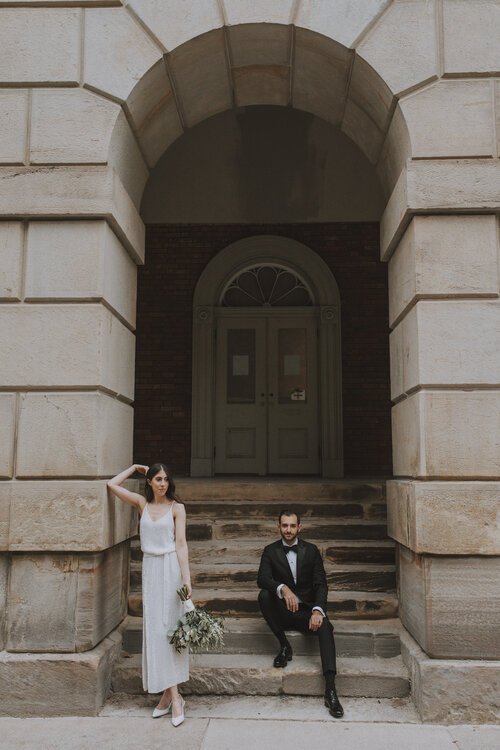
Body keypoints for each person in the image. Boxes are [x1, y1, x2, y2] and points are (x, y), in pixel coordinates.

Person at [107, 463, 191, 726]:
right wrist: (134, 468)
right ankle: (169, 695)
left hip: (170, 569)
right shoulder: (142, 504)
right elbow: (111, 485)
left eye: (166, 479)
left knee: (169, 629)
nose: (163, 483)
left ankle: (175, 698)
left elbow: (181, 544)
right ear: (150, 481)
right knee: (155, 631)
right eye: (157, 478)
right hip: (151, 569)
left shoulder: (177, 508)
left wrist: (187, 580)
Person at [257, 510, 344, 718]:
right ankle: (285, 646)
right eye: (284, 525)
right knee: (264, 596)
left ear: (299, 527)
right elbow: (262, 578)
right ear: (278, 527)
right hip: (283, 612)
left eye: (292, 526)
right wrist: (283, 588)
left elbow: (321, 584)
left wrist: (317, 609)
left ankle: (330, 689)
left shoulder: (312, 551)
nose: (288, 530)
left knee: (325, 626)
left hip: (307, 612)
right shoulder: (270, 551)